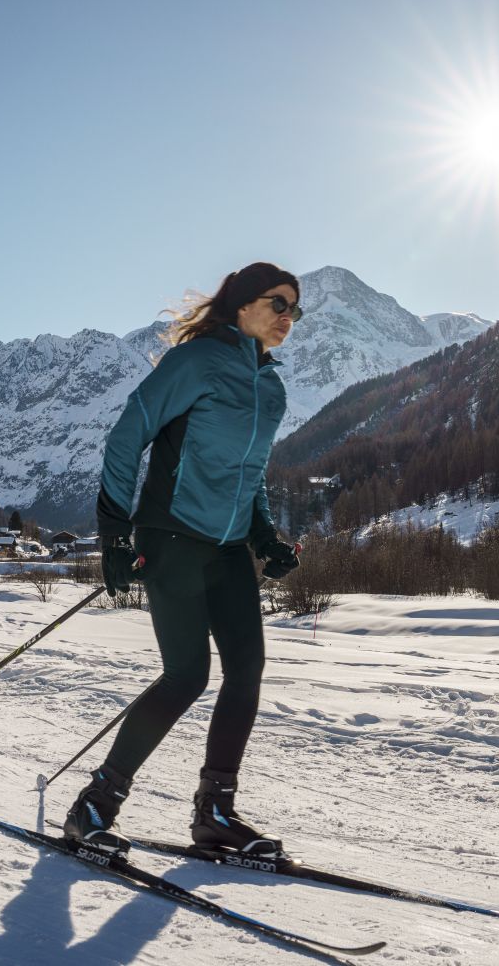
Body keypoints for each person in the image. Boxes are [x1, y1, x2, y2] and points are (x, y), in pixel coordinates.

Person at [64, 262, 303, 857]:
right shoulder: (196, 361)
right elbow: (127, 437)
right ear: (244, 303)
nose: (287, 318)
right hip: (170, 537)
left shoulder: (270, 386)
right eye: (278, 304)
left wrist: (265, 536)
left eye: (295, 310)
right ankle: (95, 804)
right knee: (187, 674)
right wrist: (115, 532)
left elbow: (250, 474)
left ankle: (215, 813)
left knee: (246, 671)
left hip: (226, 550)